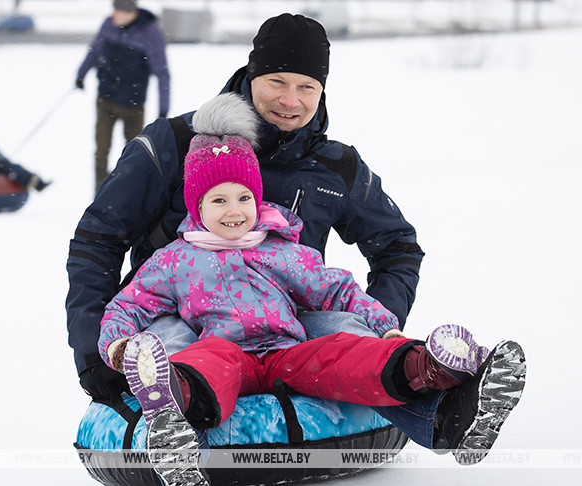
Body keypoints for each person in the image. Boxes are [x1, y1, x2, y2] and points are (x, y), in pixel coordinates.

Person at [99, 93, 525, 485]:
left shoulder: (281, 248)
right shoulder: (175, 259)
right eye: (219, 200)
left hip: (287, 352)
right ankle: (174, 408)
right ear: (197, 205)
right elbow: (127, 306)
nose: (235, 211)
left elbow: (337, 292)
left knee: (340, 351)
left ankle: (427, 366)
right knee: (209, 361)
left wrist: (387, 328)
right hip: (227, 351)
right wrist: (118, 348)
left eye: (244, 198)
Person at [66, 13, 424, 406]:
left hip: (290, 333)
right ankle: (171, 404)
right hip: (181, 325)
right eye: (277, 82)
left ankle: (431, 388)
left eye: (307, 86)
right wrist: (93, 355)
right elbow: (98, 239)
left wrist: (379, 324)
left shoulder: (334, 166)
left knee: (348, 335)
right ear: (250, 76)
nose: (291, 101)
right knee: (173, 349)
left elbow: (398, 246)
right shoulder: (176, 143)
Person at [74, 0, 170, 193]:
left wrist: (163, 107)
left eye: (120, 11)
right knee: (101, 151)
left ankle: (129, 194)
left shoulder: (149, 33)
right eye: (114, 10)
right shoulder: (108, 25)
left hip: (133, 105)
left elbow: (162, 72)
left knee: (134, 152)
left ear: (131, 13)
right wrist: (81, 75)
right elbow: (94, 52)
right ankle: (99, 194)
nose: (115, 15)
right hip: (105, 100)